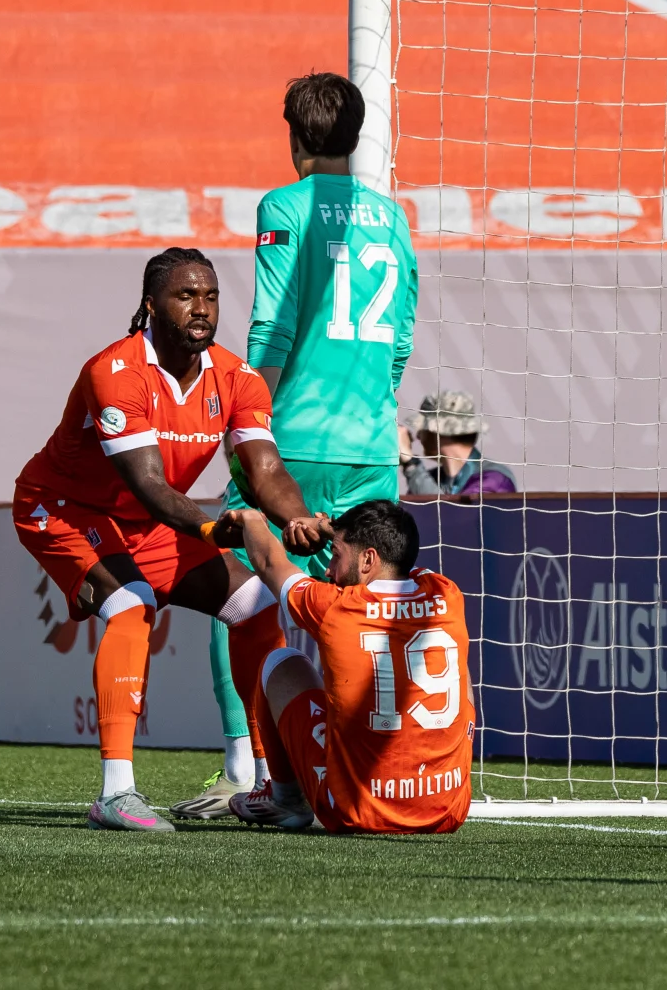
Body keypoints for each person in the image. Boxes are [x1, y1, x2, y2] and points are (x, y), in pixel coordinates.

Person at [11, 247, 331, 831]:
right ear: (151, 305)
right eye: (185, 295)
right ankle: (116, 794)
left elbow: (265, 469)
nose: (201, 308)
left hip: (146, 523)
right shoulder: (114, 372)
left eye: (210, 296)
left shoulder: (238, 379)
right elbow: (150, 484)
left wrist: (297, 519)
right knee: (132, 604)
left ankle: (275, 786)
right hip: (62, 510)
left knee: (256, 606)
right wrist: (209, 528)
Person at [174, 72, 421, 821]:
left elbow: (274, 324)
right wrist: (374, 404)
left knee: (241, 593)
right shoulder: (393, 216)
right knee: (363, 609)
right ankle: (370, 764)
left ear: (293, 136)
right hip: (372, 445)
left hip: (295, 441)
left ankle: (250, 771)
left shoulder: (283, 206)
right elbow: (400, 338)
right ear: (358, 135)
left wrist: (246, 420)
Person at [219, 499, 475, 835]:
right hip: (447, 810)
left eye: (336, 555)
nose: (328, 571)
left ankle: (285, 800)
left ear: (368, 559)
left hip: (357, 811)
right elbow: (402, 560)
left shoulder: (335, 606)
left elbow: (269, 562)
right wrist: (332, 530)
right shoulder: (446, 593)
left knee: (280, 663)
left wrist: (251, 518)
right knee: (459, 666)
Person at [398, 390, 517, 496]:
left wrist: (410, 463)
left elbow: (455, 512)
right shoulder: (431, 479)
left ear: (440, 432)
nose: (418, 436)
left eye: (423, 429)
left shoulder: (494, 479)